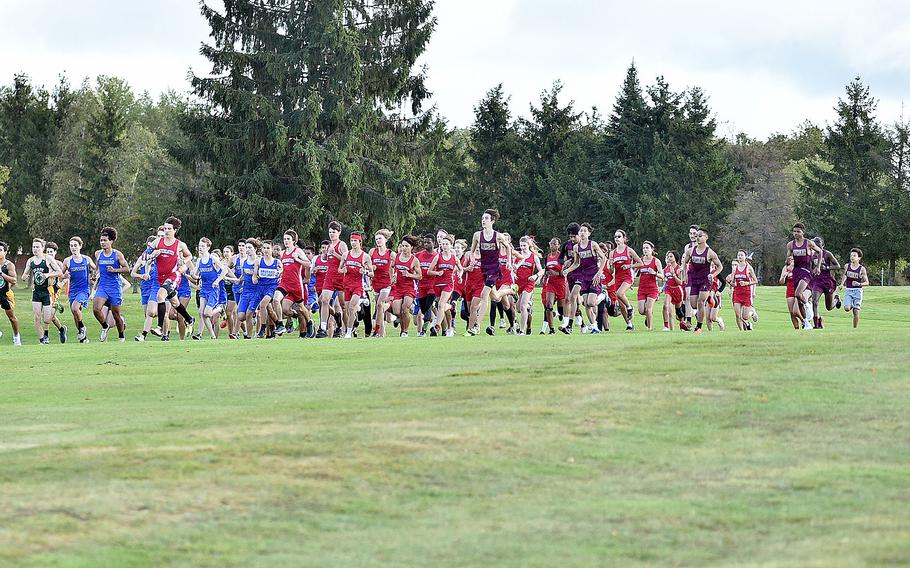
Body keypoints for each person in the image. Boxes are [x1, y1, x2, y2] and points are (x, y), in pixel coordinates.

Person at [148, 216, 196, 341]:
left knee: (160, 296)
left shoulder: (179, 244)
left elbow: (189, 255)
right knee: (175, 303)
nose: (166, 231)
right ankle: (190, 319)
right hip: (160, 277)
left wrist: (183, 261)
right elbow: (146, 254)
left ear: (175, 230)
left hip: (173, 276)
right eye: (165, 228)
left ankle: (159, 327)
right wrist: (153, 254)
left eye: (169, 229)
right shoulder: (157, 242)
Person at [466, 209, 513, 336]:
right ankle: (511, 291)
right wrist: (473, 259)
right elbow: (472, 249)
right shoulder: (477, 235)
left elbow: (508, 247)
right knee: (496, 297)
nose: (483, 220)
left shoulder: (498, 235)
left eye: (486, 218)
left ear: (492, 221)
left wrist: (508, 261)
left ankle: (477, 326)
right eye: (482, 218)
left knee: (484, 294)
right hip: (484, 269)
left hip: (494, 269)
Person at [561, 223, 608, 334]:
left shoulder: (593, 245)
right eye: (581, 231)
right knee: (586, 304)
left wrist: (599, 272)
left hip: (594, 275)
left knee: (591, 303)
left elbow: (604, 258)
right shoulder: (576, 247)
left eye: (584, 231)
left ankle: (603, 296)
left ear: (589, 233)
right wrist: (568, 270)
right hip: (584, 276)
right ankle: (595, 327)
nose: (582, 233)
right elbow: (577, 263)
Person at [680, 228, 723, 334]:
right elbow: (684, 263)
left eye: (700, 236)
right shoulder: (690, 251)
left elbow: (720, 267)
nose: (698, 238)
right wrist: (685, 275)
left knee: (700, 302)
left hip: (705, 280)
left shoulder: (710, 253)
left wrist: (713, 275)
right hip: (693, 279)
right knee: (694, 305)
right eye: (697, 236)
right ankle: (709, 296)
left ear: (706, 237)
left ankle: (698, 327)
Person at [22, 238, 64, 344]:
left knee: (47, 319)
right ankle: (42, 340)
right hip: (36, 291)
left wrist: (47, 275)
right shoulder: (30, 261)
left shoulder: (48, 259)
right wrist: (24, 277)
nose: (35, 249)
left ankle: (55, 306)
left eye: (37, 247)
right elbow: (24, 275)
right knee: (36, 317)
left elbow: (59, 272)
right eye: (33, 247)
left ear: (42, 248)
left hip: (47, 291)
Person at [91, 228, 130, 342]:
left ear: (111, 241)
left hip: (114, 287)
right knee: (96, 309)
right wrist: (94, 274)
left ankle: (121, 335)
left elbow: (127, 268)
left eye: (105, 240)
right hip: (102, 286)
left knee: (116, 314)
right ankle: (104, 326)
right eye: (101, 240)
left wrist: (114, 270)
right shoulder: (98, 254)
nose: (102, 242)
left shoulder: (117, 254)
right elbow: (97, 267)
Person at [786, 222, 823, 330]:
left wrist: (818, 267)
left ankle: (807, 305)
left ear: (803, 232)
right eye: (794, 231)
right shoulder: (790, 244)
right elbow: (788, 258)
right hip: (796, 271)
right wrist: (788, 260)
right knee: (798, 300)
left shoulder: (808, 243)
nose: (796, 233)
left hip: (806, 271)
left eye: (798, 231)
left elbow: (820, 252)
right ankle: (806, 322)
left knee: (798, 293)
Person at [275, 230, 311, 338]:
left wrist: (297, 259)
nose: (286, 241)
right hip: (284, 283)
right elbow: (286, 267)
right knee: (278, 301)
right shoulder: (282, 253)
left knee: (301, 308)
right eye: (285, 239)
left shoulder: (298, 251)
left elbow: (308, 264)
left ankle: (309, 322)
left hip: (296, 285)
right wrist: (280, 271)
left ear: (293, 241)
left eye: (288, 239)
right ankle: (280, 324)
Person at [60, 236, 95, 343]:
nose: (73, 248)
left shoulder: (87, 259)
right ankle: (83, 338)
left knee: (75, 308)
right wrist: (64, 276)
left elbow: (96, 270)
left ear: (80, 246)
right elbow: (60, 275)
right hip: (72, 291)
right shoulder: (67, 261)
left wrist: (93, 276)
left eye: (75, 245)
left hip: (84, 290)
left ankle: (82, 328)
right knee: (75, 314)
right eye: (71, 246)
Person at [338, 232, 373, 339]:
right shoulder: (345, 255)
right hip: (346, 285)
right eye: (352, 241)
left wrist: (365, 272)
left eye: (355, 241)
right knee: (349, 309)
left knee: (352, 308)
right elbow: (339, 269)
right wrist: (342, 270)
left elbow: (372, 273)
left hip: (358, 286)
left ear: (360, 242)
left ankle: (348, 332)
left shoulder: (365, 256)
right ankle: (360, 306)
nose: (353, 243)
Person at [192, 237, 228, 339]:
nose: (200, 248)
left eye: (203, 246)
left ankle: (220, 309)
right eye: (199, 246)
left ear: (208, 247)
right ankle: (205, 335)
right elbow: (196, 275)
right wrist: (194, 275)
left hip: (213, 290)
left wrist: (217, 281)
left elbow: (224, 270)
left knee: (206, 313)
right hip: (204, 289)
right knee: (201, 313)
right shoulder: (199, 260)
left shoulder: (212, 259)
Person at [316, 221, 348, 338]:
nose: (331, 234)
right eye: (330, 232)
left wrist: (334, 254)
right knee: (323, 300)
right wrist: (325, 255)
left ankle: (346, 329)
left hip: (340, 277)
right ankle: (323, 328)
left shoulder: (342, 244)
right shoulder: (329, 246)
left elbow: (347, 260)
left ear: (339, 232)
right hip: (329, 276)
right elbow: (326, 259)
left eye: (333, 232)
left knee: (343, 305)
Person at [430, 234, 462, 337]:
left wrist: (460, 276)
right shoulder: (437, 257)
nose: (444, 246)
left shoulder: (454, 258)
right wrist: (437, 273)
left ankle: (437, 326)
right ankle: (450, 325)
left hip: (448, 284)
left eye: (446, 244)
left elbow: (461, 269)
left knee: (440, 305)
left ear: (450, 245)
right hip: (437, 284)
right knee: (443, 306)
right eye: (443, 244)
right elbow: (429, 271)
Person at [389, 235, 422, 337]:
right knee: (396, 311)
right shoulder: (397, 256)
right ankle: (400, 321)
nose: (404, 248)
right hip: (398, 287)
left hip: (409, 288)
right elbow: (391, 267)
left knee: (405, 308)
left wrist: (409, 275)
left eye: (406, 246)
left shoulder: (414, 260)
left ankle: (404, 331)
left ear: (411, 247)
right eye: (402, 246)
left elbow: (420, 276)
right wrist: (392, 278)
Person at [610, 229, 641, 331]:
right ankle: (629, 324)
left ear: (624, 238)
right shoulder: (612, 253)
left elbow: (640, 263)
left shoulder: (629, 250)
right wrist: (610, 265)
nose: (617, 239)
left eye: (619, 236)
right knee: (621, 305)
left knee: (619, 293)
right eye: (615, 237)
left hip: (627, 277)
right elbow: (611, 271)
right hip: (618, 278)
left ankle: (630, 307)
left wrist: (629, 266)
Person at [512, 236, 544, 336]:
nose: (522, 247)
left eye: (524, 245)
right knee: (518, 308)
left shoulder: (533, 256)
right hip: (518, 284)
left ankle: (522, 330)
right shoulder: (517, 256)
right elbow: (511, 268)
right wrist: (514, 274)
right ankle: (529, 305)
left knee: (522, 306)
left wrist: (536, 276)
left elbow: (542, 270)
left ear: (528, 245)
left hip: (528, 283)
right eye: (521, 245)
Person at [132, 235, 161, 342]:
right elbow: (132, 273)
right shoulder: (143, 258)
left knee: (156, 312)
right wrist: (142, 276)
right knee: (148, 313)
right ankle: (145, 336)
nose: (149, 249)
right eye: (149, 246)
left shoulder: (159, 257)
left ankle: (164, 334)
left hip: (157, 287)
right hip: (145, 288)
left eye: (152, 247)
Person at [809, 236, 841, 329]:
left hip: (828, 281)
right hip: (817, 281)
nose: (817, 247)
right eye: (815, 245)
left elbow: (837, 266)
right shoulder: (812, 256)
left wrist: (826, 267)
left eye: (819, 245)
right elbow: (811, 268)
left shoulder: (827, 254)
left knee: (829, 307)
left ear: (823, 246)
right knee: (815, 302)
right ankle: (816, 324)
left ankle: (837, 300)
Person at [253, 239, 282, 338]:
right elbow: (254, 275)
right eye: (264, 248)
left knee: (263, 305)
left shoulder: (277, 262)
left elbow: (282, 271)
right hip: (261, 287)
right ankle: (278, 325)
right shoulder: (258, 261)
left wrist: (280, 273)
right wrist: (255, 279)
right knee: (268, 310)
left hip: (271, 287)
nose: (265, 250)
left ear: (272, 249)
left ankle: (262, 328)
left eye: (268, 248)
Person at [633, 241, 664, 331]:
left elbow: (662, 276)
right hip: (642, 289)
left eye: (647, 248)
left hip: (652, 289)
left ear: (652, 249)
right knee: (641, 310)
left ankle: (649, 328)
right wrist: (633, 278)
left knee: (648, 309)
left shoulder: (656, 261)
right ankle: (649, 314)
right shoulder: (640, 260)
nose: (645, 250)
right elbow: (634, 272)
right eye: (644, 248)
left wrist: (654, 273)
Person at [369, 229, 394, 337]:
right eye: (376, 239)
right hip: (376, 283)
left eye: (380, 238)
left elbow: (397, 266)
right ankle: (382, 333)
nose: (378, 241)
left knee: (379, 304)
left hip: (386, 283)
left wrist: (394, 276)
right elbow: (368, 266)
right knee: (379, 308)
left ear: (385, 239)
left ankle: (377, 329)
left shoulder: (391, 253)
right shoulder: (372, 252)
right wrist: (371, 269)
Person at [43, 242, 69, 341]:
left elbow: (66, 277)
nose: (49, 253)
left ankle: (46, 335)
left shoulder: (59, 264)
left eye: (51, 252)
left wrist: (60, 284)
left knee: (48, 315)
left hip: (55, 290)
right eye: (48, 251)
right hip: (45, 289)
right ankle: (62, 329)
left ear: (55, 252)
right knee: (50, 316)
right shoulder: (44, 262)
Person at [728, 250, 758, 331]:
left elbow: (755, 281)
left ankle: (752, 313)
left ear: (745, 257)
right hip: (737, 294)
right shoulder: (735, 269)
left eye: (741, 255)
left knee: (744, 316)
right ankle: (742, 330)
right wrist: (729, 282)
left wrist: (746, 283)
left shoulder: (749, 268)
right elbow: (733, 283)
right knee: (738, 315)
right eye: (738, 255)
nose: (740, 257)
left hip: (746, 293)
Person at [541, 238, 566, 335]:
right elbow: (546, 269)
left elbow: (564, 272)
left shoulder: (561, 256)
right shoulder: (547, 257)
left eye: (555, 244)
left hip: (560, 283)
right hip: (551, 283)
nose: (552, 246)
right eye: (551, 244)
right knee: (548, 305)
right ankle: (551, 329)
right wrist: (546, 274)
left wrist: (556, 273)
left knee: (561, 306)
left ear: (559, 245)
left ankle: (561, 314)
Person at [841, 247, 868, 328]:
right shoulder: (847, 266)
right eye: (851, 255)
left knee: (856, 311)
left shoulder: (862, 269)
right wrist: (842, 284)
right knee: (847, 308)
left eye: (854, 255)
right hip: (849, 290)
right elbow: (845, 275)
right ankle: (851, 304)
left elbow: (867, 282)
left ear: (859, 258)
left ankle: (854, 329)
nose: (852, 257)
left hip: (858, 291)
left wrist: (859, 283)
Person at [0, 241, 21, 345]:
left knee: (12, 318)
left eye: (0, 250)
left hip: (6, 294)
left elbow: (14, 280)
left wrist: (1, 274)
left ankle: (16, 337)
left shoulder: (9, 265)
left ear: (5, 252)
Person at [779, 257, 801, 330]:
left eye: (793, 259)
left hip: (799, 290)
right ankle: (796, 329)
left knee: (796, 311)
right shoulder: (785, 268)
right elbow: (781, 282)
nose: (792, 260)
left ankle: (804, 321)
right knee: (792, 313)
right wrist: (784, 276)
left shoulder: (799, 267)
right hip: (790, 291)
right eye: (791, 259)